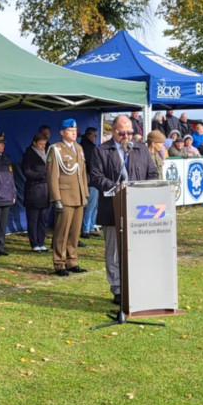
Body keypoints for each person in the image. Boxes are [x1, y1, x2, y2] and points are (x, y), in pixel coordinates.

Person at [89, 115, 159, 304]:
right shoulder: (101, 150)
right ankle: (118, 289)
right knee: (114, 252)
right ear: (113, 131)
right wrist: (115, 186)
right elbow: (95, 176)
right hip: (112, 209)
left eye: (130, 132)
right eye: (122, 133)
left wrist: (146, 188)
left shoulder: (140, 149)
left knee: (137, 250)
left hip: (138, 209)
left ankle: (137, 285)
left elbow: (152, 172)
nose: (127, 136)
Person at [47, 119, 88, 276]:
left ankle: (72, 260)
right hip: (64, 195)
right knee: (62, 232)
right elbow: (52, 175)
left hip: (78, 195)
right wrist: (56, 198)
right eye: (70, 130)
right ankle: (59, 262)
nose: (74, 133)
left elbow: (82, 173)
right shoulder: (56, 149)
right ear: (62, 132)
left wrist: (85, 194)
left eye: (75, 130)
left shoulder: (79, 148)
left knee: (75, 232)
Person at [22, 133, 50, 253]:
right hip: (34, 190)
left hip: (46, 190)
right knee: (33, 219)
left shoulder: (47, 152)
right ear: (34, 143)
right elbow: (27, 171)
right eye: (40, 144)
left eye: (44, 144)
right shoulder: (29, 154)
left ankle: (41, 242)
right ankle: (34, 243)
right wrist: (41, 175)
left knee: (43, 219)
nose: (42, 146)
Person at [80, 127, 100, 238]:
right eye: (94, 135)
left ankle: (90, 227)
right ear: (89, 135)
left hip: (93, 179)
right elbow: (91, 164)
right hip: (90, 180)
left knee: (94, 205)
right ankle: (86, 229)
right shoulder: (87, 147)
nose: (95, 138)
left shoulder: (89, 147)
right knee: (90, 205)